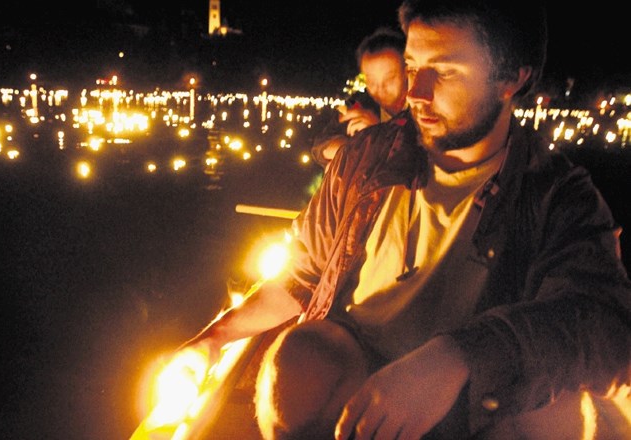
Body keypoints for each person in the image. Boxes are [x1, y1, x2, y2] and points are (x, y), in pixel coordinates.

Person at [181, 0, 631, 438]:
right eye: (413, 67)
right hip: (360, 373)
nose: (415, 92)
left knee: (549, 413)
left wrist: (457, 357)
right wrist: (213, 339)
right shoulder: (365, 160)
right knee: (298, 358)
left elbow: (601, 323)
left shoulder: (556, 194)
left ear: (513, 77)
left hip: (479, 398)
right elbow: (303, 274)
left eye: (447, 71)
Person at [311, 26, 408, 169]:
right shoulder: (359, 105)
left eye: (390, 79)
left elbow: (418, 160)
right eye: (371, 81)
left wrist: (377, 135)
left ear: (407, 72)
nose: (379, 89)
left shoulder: (423, 109)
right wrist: (348, 149)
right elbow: (319, 146)